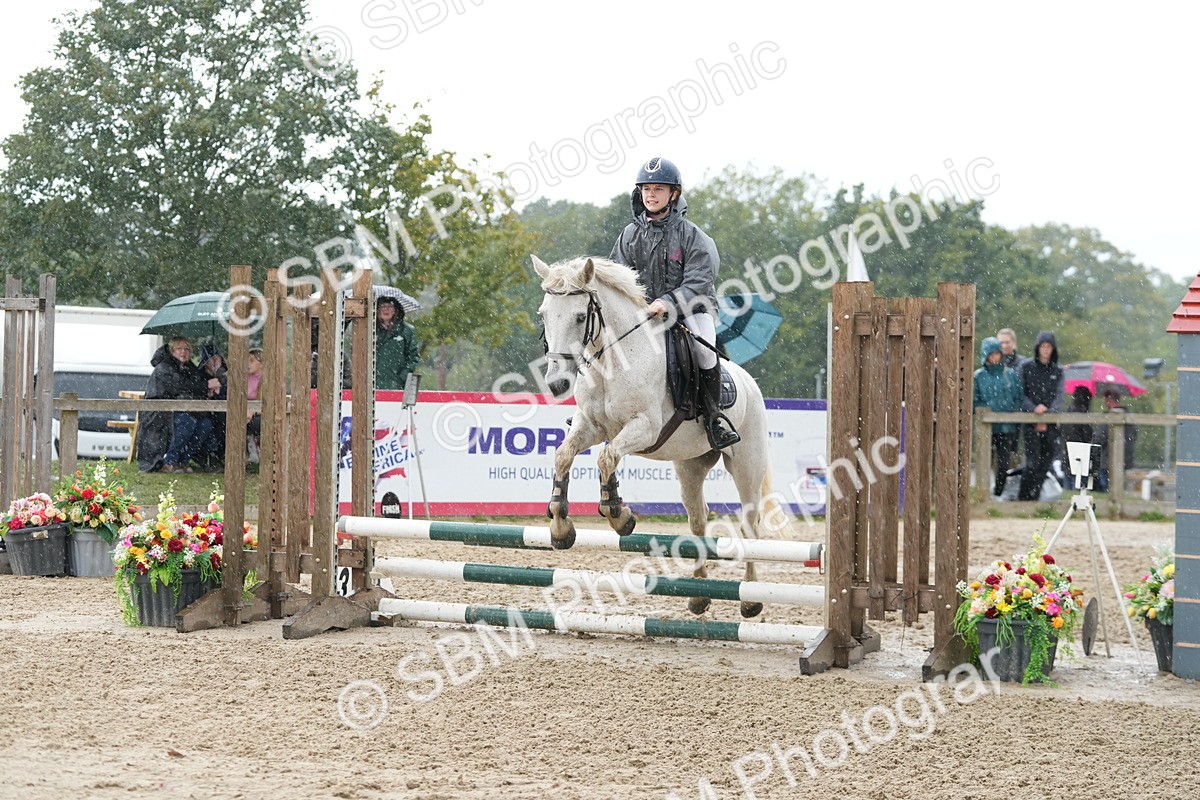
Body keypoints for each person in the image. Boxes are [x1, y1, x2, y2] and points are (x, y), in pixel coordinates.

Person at [610, 156, 739, 450]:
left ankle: (714, 418)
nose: (651, 195)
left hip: (691, 310)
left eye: (658, 189)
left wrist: (667, 303)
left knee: (704, 352)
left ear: (673, 194)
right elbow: (618, 277)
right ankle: (597, 411)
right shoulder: (629, 235)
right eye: (646, 189)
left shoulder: (692, 235)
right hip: (645, 313)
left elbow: (699, 282)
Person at [138, 336, 220, 473]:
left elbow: (194, 386)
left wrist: (208, 391)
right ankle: (170, 462)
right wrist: (206, 385)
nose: (184, 352)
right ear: (172, 351)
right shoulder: (164, 367)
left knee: (205, 424)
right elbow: (180, 386)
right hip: (160, 412)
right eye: (179, 349)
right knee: (187, 422)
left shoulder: (189, 367)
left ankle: (183, 461)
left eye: (187, 349)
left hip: (182, 410)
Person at [973, 337, 1024, 498]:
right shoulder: (978, 376)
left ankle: (998, 494)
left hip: (1007, 427)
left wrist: (1008, 411)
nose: (994, 357)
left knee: (1003, 463)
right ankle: (982, 495)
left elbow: (1018, 398)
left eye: (997, 353)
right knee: (983, 462)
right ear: (986, 355)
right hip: (986, 427)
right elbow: (974, 400)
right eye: (991, 354)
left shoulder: (1010, 375)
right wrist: (989, 410)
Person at [1016, 332, 1065, 501]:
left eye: (1048, 346)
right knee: (1032, 463)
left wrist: (1047, 414)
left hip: (1050, 424)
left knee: (1045, 464)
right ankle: (1023, 499)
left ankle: (1035, 498)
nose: (1045, 350)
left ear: (1053, 349)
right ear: (1038, 348)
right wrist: (1034, 409)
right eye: (1043, 346)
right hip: (1030, 422)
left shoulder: (1058, 371)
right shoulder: (1026, 367)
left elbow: (1059, 396)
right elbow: (1020, 393)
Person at [1093, 389, 1138, 492]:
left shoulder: (1109, 418)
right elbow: (1134, 436)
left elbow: (1100, 438)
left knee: (1106, 488)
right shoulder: (1128, 417)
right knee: (1119, 487)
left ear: (1109, 400)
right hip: (1124, 460)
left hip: (1108, 460)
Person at [375, 296, 421, 391]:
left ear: (395, 310)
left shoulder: (407, 330)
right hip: (373, 382)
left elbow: (413, 356)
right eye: (383, 306)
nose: (386, 309)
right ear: (377, 310)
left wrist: (403, 376)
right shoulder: (370, 329)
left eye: (390, 307)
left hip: (397, 384)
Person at [1060, 386, 1099, 487]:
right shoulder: (1082, 414)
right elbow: (1087, 435)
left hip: (1066, 452)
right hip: (1080, 455)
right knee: (1078, 484)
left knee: (1068, 483)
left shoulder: (1067, 412)